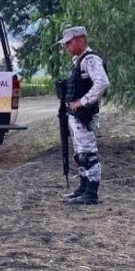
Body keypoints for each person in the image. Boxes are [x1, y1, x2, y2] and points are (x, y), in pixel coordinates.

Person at [56, 27, 109, 205]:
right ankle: (83, 188)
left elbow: (102, 83)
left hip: (84, 115)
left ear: (80, 40)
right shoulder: (78, 61)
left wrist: (83, 102)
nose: (66, 47)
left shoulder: (90, 60)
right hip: (76, 115)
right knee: (80, 153)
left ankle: (91, 193)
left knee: (87, 154)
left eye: (69, 43)